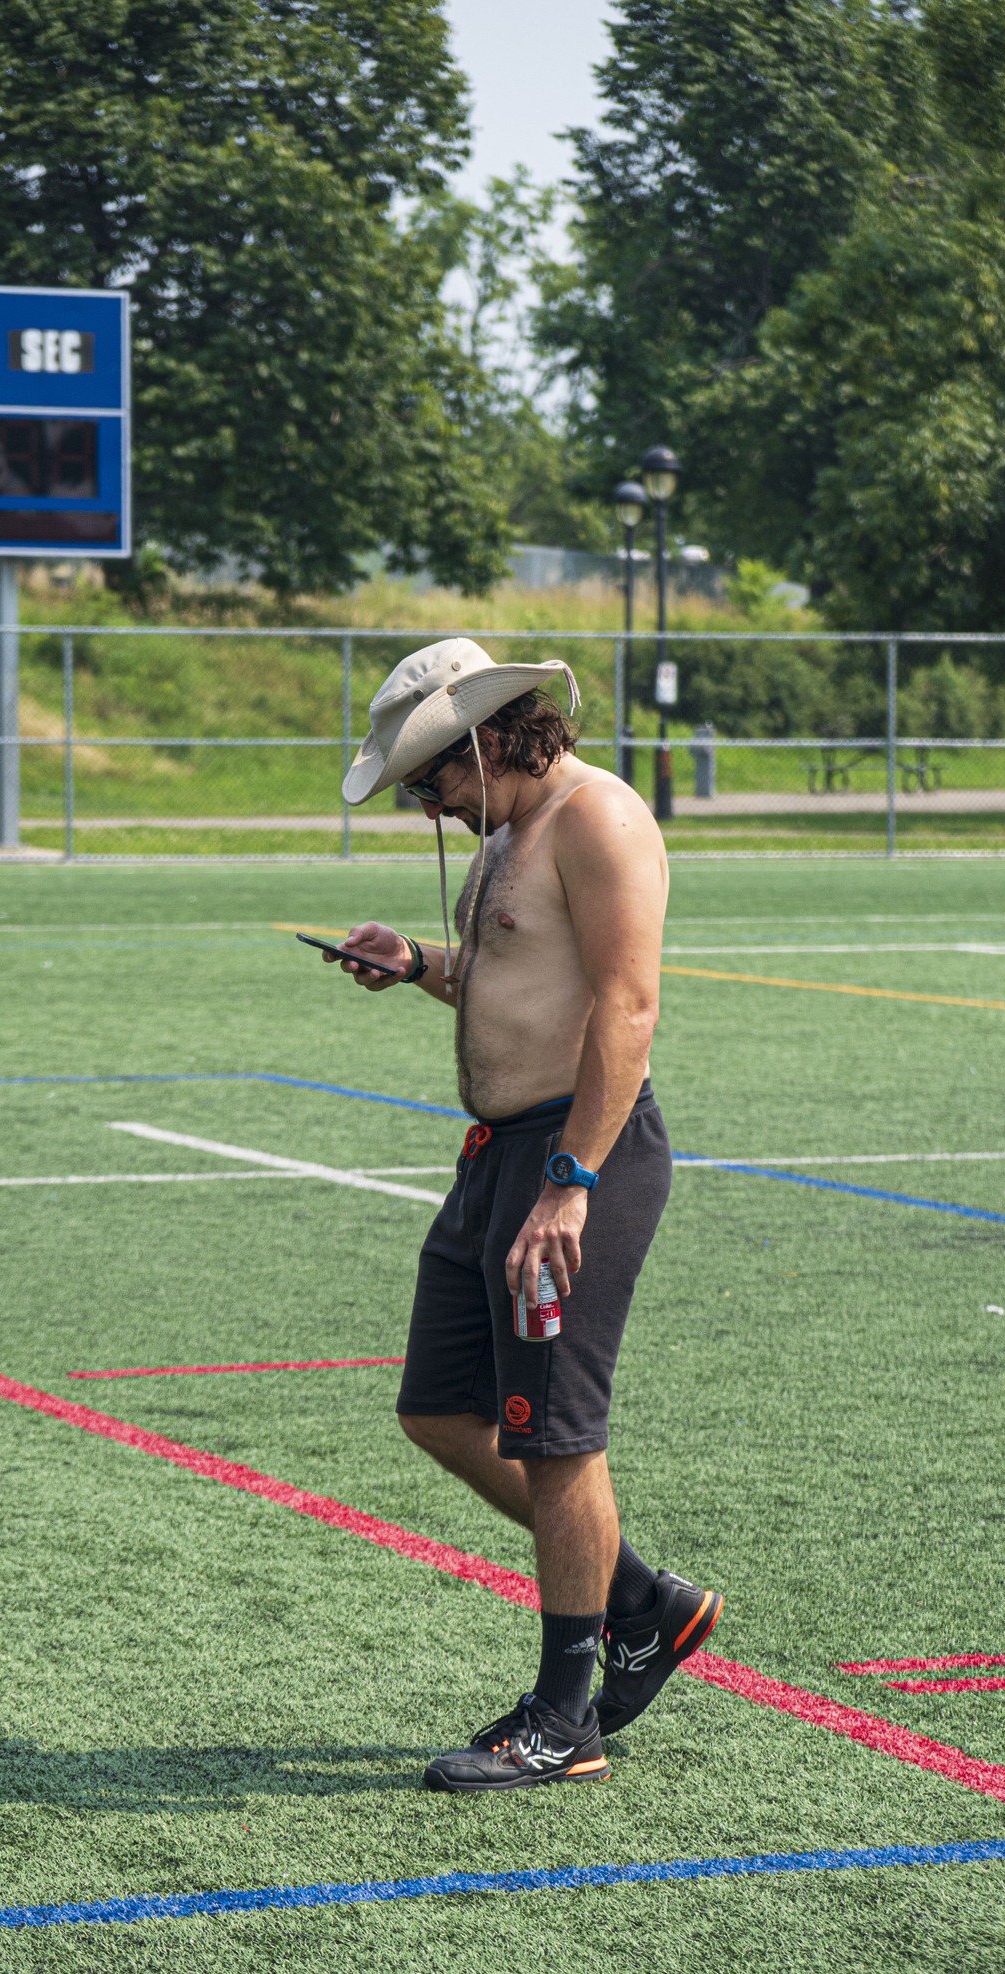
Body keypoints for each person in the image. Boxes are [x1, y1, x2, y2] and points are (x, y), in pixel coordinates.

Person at [327, 637, 722, 1792]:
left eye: (431, 778)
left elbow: (626, 1003)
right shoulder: (509, 833)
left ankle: (567, 1717)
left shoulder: (597, 818)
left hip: (569, 1157)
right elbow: (511, 977)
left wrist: (570, 1182)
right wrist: (417, 963)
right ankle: (642, 1602)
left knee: (557, 1440)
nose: (425, 801)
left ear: (489, 738)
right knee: (441, 1410)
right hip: (495, 1157)